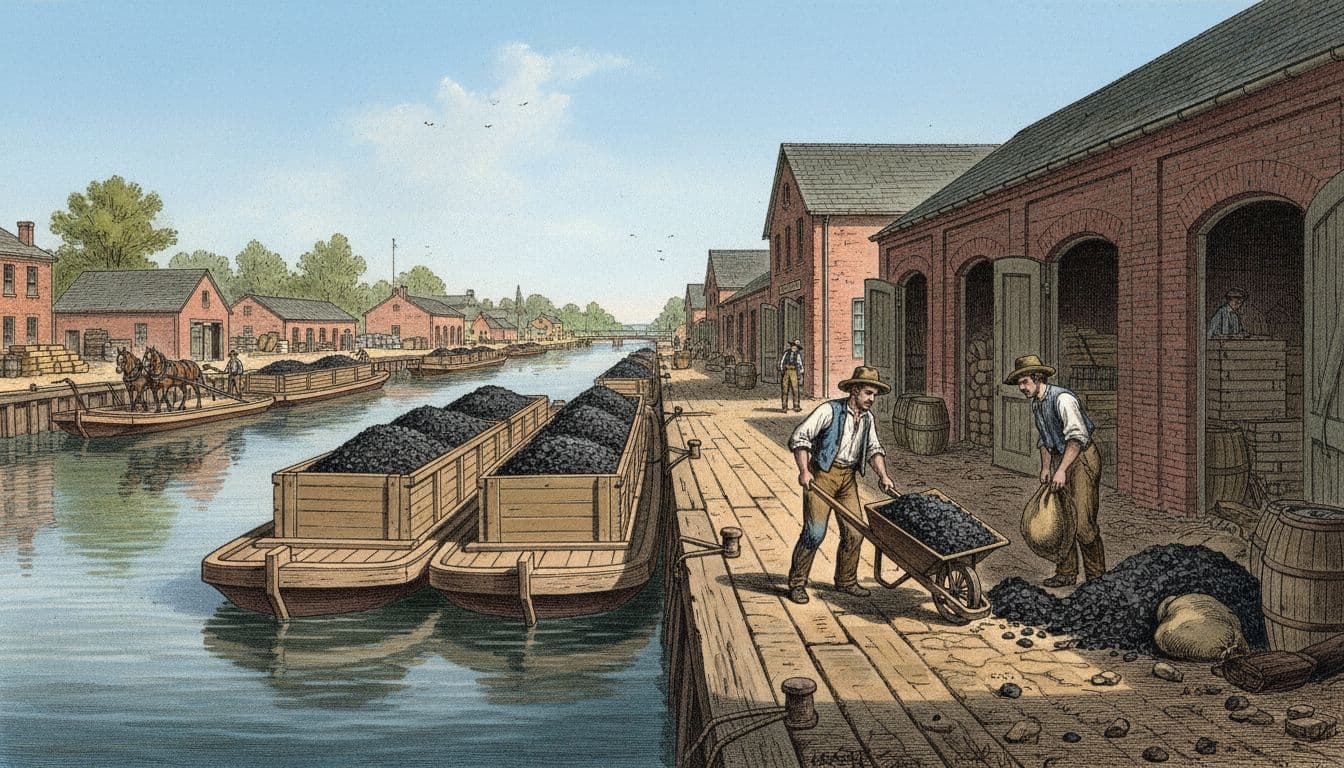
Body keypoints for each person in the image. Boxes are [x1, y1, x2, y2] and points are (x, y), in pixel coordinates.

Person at [785, 366, 898, 604]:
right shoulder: (829, 410)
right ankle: (797, 583)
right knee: (815, 533)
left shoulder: (868, 419)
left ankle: (846, 581)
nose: (872, 399)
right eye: (868, 393)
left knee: (856, 532)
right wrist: (804, 471)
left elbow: (874, 450)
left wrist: (883, 476)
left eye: (875, 395)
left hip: (848, 479)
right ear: (854, 390)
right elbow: (799, 437)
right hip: (823, 475)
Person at [1006, 354, 1106, 587]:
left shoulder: (1063, 399)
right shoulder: (1037, 403)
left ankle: (1097, 578)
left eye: (1024, 382)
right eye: (1019, 383)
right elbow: (1045, 440)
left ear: (1038, 378)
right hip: (1062, 459)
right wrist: (1046, 468)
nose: (1021, 388)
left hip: (1081, 459)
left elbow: (1076, 439)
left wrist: (1061, 470)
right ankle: (1067, 572)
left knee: (1082, 522)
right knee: (1061, 517)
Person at [778, 339, 805, 413]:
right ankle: (784, 407)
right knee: (785, 389)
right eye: (793, 346)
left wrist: (801, 371)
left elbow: (800, 363)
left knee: (795, 389)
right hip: (786, 372)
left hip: (794, 372)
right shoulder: (786, 353)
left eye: (796, 347)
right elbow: (782, 361)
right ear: (791, 346)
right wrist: (781, 369)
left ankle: (796, 406)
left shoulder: (798, 354)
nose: (794, 348)